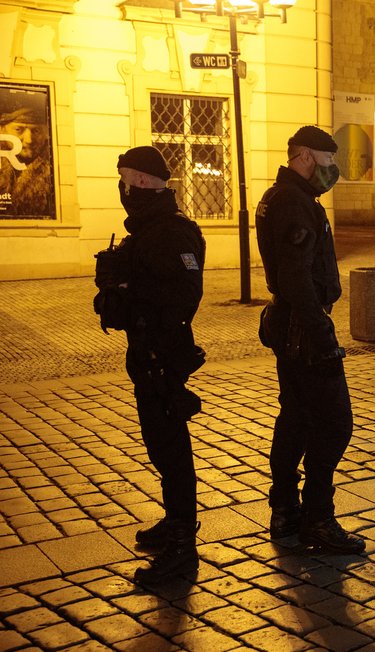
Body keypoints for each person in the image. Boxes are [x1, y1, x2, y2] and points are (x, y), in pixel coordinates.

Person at [93, 146, 206, 584]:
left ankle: (182, 541)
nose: (123, 189)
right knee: (159, 445)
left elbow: (183, 296)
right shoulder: (146, 229)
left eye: (126, 179)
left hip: (164, 355)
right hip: (147, 354)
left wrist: (128, 289)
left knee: (171, 447)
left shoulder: (171, 232)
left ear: (139, 182)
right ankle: (174, 521)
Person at [255, 125, 365, 555]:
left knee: (296, 416)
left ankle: (284, 509)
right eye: (326, 162)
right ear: (303, 157)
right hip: (304, 324)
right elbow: (295, 274)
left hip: (290, 320)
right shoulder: (295, 203)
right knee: (335, 423)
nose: (331, 171)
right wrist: (319, 331)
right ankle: (318, 517)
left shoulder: (278, 198)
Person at [0, 100, 55, 219]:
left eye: (36, 131)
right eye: (18, 129)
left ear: (46, 133)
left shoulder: (54, 171)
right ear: (2, 129)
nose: (29, 139)